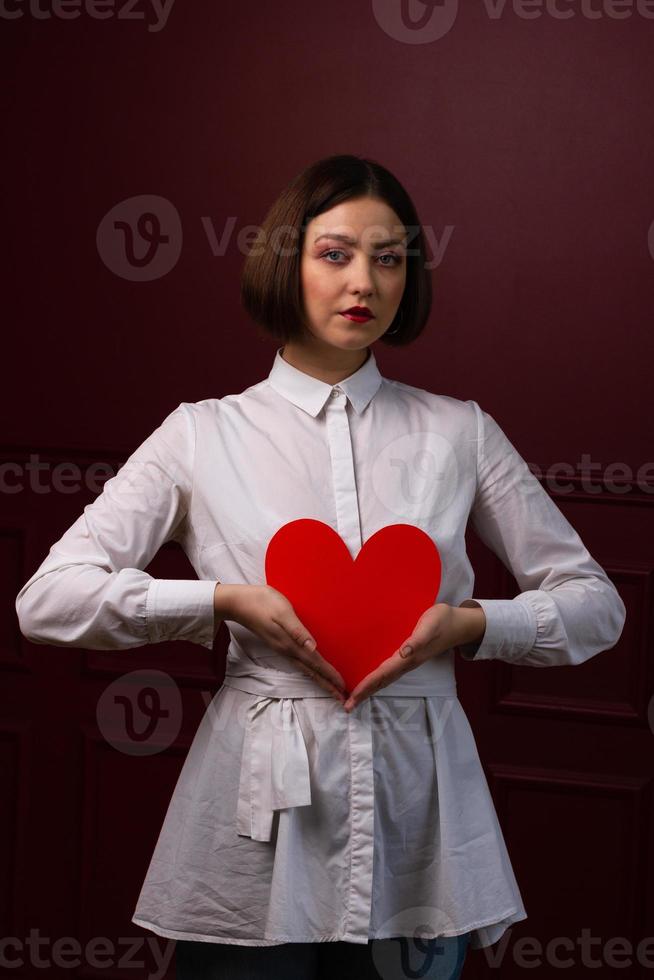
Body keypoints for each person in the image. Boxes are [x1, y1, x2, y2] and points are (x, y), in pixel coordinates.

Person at [15, 154, 626, 980]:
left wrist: (474, 624)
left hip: (419, 823)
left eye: (390, 257)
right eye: (335, 253)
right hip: (253, 831)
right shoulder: (203, 434)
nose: (364, 281)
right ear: (285, 263)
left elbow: (597, 605)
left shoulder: (460, 433)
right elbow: (47, 601)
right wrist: (222, 602)